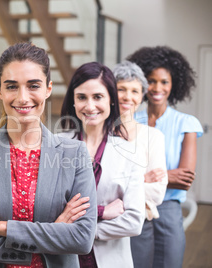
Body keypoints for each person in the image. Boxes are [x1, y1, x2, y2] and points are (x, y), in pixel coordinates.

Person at [0, 42, 97, 267]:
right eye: (12, 86)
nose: (23, 97)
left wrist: (1, 227)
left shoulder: (74, 154)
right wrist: (51, 235)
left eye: (33, 85)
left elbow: (82, 238)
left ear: (48, 88)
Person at [59, 61, 145, 268]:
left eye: (98, 97)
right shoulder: (55, 145)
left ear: (111, 101)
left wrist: (85, 232)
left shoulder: (129, 152)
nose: (90, 106)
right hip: (62, 259)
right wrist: (101, 212)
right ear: (73, 101)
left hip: (111, 261)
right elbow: (44, 210)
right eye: (81, 97)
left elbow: (133, 221)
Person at [127, 46, 203, 268]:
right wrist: (162, 175)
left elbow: (185, 178)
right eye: (151, 80)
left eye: (164, 82)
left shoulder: (186, 123)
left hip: (169, 208)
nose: (157, 87)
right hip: (136, 205)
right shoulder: (130, 122)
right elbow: (120, 173)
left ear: (174, 85)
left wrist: (141, 176)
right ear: (142, 83)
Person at [112, 61, 168, 268]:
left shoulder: (153, 137)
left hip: (139, 227)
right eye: (121, 89)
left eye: (135, 91)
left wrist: (114, 187)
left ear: (142, 96)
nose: (128, 97)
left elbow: (157, 191)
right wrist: (140, 179)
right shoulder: (97, 134)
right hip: (101, 226)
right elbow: (91, 188)